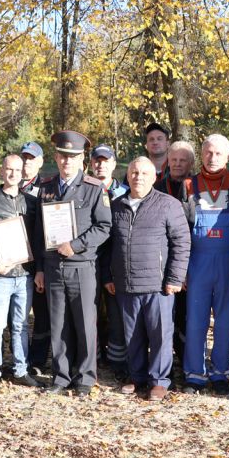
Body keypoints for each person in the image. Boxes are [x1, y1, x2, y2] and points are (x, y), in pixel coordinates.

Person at [34, 130, 112, 397]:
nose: (67, 161)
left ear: (83, 159)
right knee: (58, 323)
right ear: (56, 157)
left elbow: (104, 227)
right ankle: (61, 376)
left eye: (73, 156)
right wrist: (41, 269)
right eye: (63, 156)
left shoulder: (94, 188)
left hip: (82, 266)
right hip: (54, 266)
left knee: (85, 324)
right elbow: (38, 232)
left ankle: (86, 378)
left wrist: (76, 244)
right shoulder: (45, 188)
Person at [105, 157, 190, 402]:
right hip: (126, 283)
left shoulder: (168, 205)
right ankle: (137, 375)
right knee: (132, 334)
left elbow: (182, 243)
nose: (138, 177)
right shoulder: (117, 206)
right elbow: (108, 245)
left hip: (158, 285)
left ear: (154, 177)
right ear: (127, 176)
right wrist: (108, 275)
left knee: (160, 334)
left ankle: (159, 381)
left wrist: (175, 277)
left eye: (144, 173)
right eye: (133, 172)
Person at [180, 134, 229, 395]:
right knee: (195, 319)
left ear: (228, 155)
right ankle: (194, 374)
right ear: (201, 153)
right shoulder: (188, 184)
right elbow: (182, 230)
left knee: (226, 320)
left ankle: (221, 373)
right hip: (198, 261)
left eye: (218, 153)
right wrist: (182, 266)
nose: (213, 157)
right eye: (208, 152)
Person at [0, 154, 42, 393]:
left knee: (21, 325)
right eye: (8, 169)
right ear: (1, 172)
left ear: (23, 172)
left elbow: (38, 239)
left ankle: (21, 370)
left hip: (24, 275)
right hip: (0, 275)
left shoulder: (31, 202)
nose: (13, 174)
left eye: (17, 169)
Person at [154, 140, 195, 361]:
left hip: (192, 261)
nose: (178, 164)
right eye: (174, 160)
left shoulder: (197, 187)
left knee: (188, 317)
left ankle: (186, 360)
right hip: (163, 262)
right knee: (166, 316)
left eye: (183, 160)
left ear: (191, 163)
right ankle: (165, 362)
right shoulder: (158, 187)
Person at [90, 143, 129, 379]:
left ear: (114, 164)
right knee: (91, 313)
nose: (101, 165)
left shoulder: (125, 192)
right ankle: (91, 357)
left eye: (105, 161)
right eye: (97, 161)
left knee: (116, 315)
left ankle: (117, 361)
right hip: (89, 259)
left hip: (115, 261)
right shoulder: (84, 188)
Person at [19, 141, 51, 375]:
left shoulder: (47, 189)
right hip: (13, 262)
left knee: (41, 315)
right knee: (17, 316)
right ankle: (17, 358)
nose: (26, 163)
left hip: (37, 262)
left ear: (40, 162)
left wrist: (41, 265)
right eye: (24, 158)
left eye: (31, 159)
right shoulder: (8, 187)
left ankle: (38, 361)